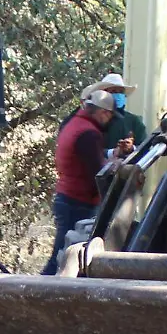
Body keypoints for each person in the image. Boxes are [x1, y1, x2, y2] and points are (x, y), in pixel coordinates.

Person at [41, 88, 128, 275]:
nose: (110, 122)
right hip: (79, 202)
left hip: (68, 198)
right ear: (103, 113)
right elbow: (97, 173)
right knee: (65, 259)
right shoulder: (89, 133)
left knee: (61, 255)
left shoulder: (73, 124)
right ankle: (39, 293)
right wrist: (115, 166)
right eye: (110, 117)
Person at [89, 73, 148, 154]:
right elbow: (87, 150)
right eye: (113, 91)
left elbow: (145, 148)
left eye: (121, 92)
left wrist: (131, 148)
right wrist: (112, 153)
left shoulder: (134, 121)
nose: (118, 95)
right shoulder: (93, 120)